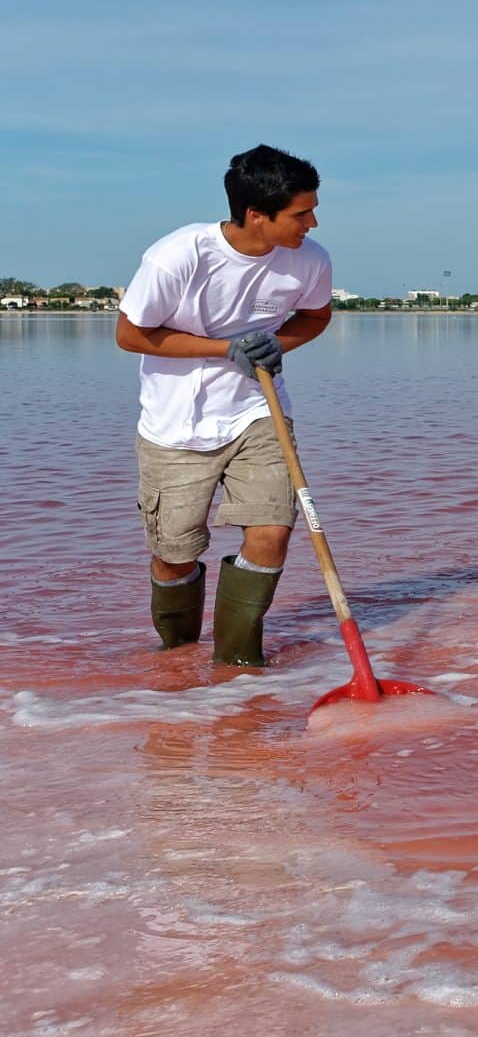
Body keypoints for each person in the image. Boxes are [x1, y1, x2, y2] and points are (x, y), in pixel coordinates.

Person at [113, 145, 334, 665]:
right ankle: (178, 661)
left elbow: (315, 317)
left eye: (312, 210)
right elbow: (130, 334)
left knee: (272, 534)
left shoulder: (311, 259)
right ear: (256, 214)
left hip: (258, 411)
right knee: (175, 556)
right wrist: (225, 349)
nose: (313, 223)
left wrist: (278, 343)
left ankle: (236, 669)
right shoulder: (178, 256)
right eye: (301, 214)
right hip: (176, 424)